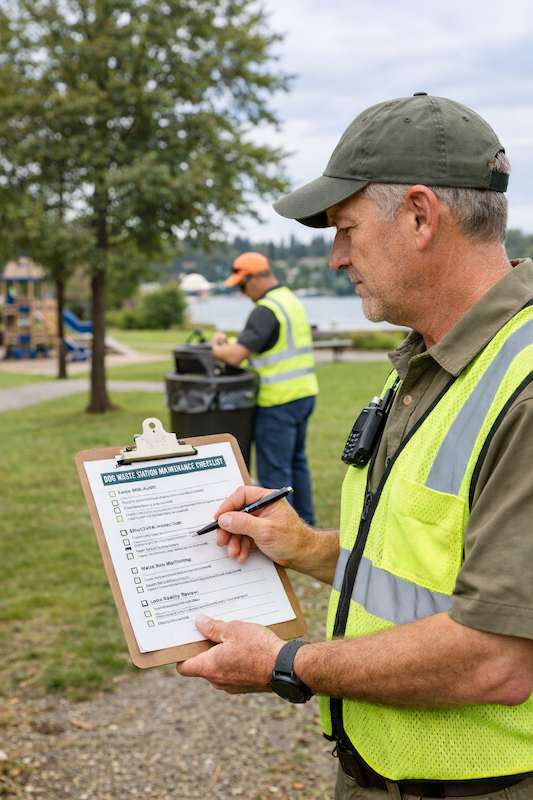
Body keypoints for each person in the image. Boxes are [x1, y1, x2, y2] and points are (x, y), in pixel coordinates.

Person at [178, 93, 533, 799]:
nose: (336, 258)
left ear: (420, 216)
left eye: (346, 229)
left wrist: (287, 663)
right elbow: (420, 576)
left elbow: (497, 658)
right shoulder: (432, 360)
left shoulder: (521, 388)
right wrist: (305, 547)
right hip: (383, 773)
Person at [211, 251, 318, 525]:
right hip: (303, 394)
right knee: (297, 463)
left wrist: (218, 347)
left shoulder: (266, 310)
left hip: (277, 401)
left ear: (256, 277)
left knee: (274, 473)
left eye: (242, 285)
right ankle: (306, 525)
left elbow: (235, 356)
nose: (242, 292)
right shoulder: (289, 300)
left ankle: (283, 531)